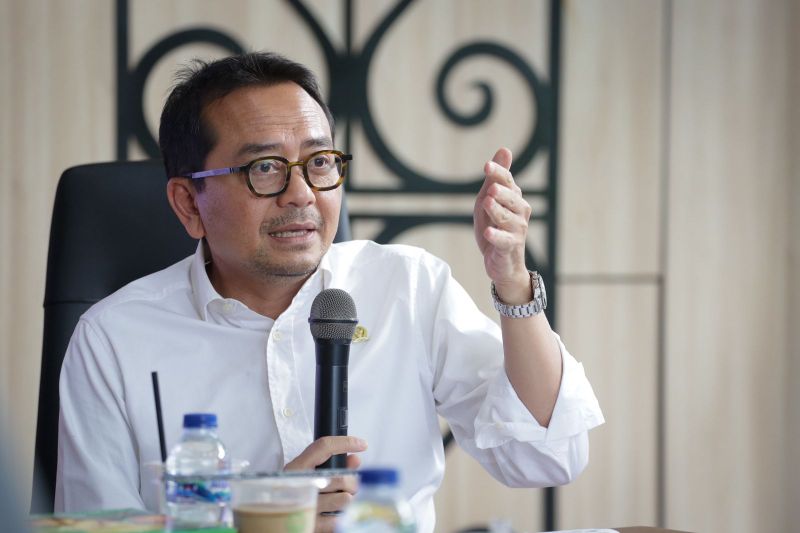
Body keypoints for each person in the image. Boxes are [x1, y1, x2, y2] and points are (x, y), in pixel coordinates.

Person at [55, 52, 603, 533]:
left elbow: (548, 457)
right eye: (264, 168)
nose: (301, 194)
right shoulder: (114, 339)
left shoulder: (406, 287)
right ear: (188, 203)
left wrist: (512, 281)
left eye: (319, 163)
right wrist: (259, 520)